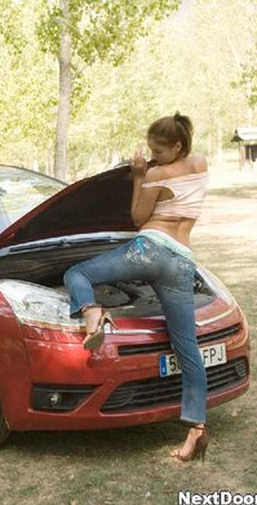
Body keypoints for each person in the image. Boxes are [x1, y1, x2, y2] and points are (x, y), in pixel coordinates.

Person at [63, 112, 210, 462]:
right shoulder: (201, 163)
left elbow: (137, 218)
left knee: (77, 274)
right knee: (187, 347)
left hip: (150, 250)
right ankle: (196, 430)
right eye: (150, 150)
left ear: (177, 145)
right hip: (182, 261)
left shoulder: (157, 173)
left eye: (159, 149)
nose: (153, 155)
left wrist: (141, 176)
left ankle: (93, 312)